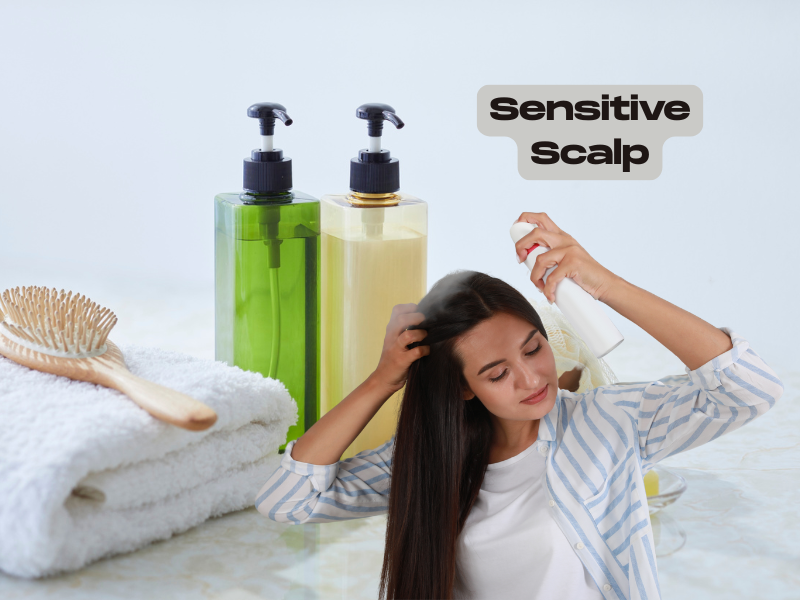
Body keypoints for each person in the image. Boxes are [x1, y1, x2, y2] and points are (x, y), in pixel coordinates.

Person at [255, 212, 784, 600]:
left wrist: (606, 284)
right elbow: (288, 500)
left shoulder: (604, 424)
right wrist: (382, 379)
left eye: (534, 347)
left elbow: (749, 388)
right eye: (496, 372)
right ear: (464, 388)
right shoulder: (427, 462)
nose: (532, 378)